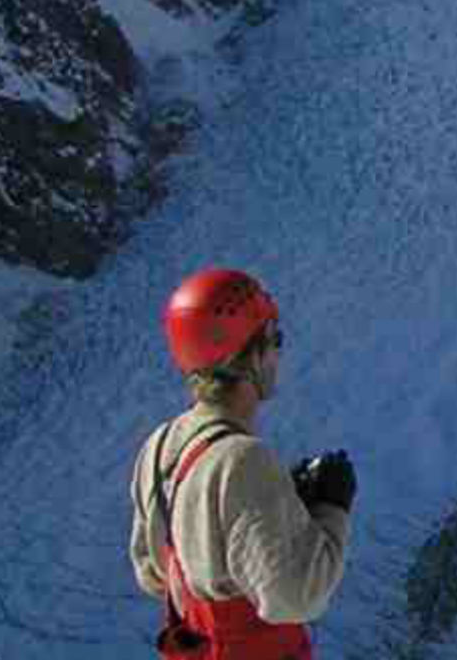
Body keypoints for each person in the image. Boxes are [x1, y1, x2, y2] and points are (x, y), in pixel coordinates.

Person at [129, 267, 355, 657]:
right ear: (250, 356)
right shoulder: (244, 461)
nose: (278, 354)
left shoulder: (159, 446)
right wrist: (330, 509)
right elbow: (296, 598)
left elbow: (154, 574)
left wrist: (282, 511)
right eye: (274, 340)